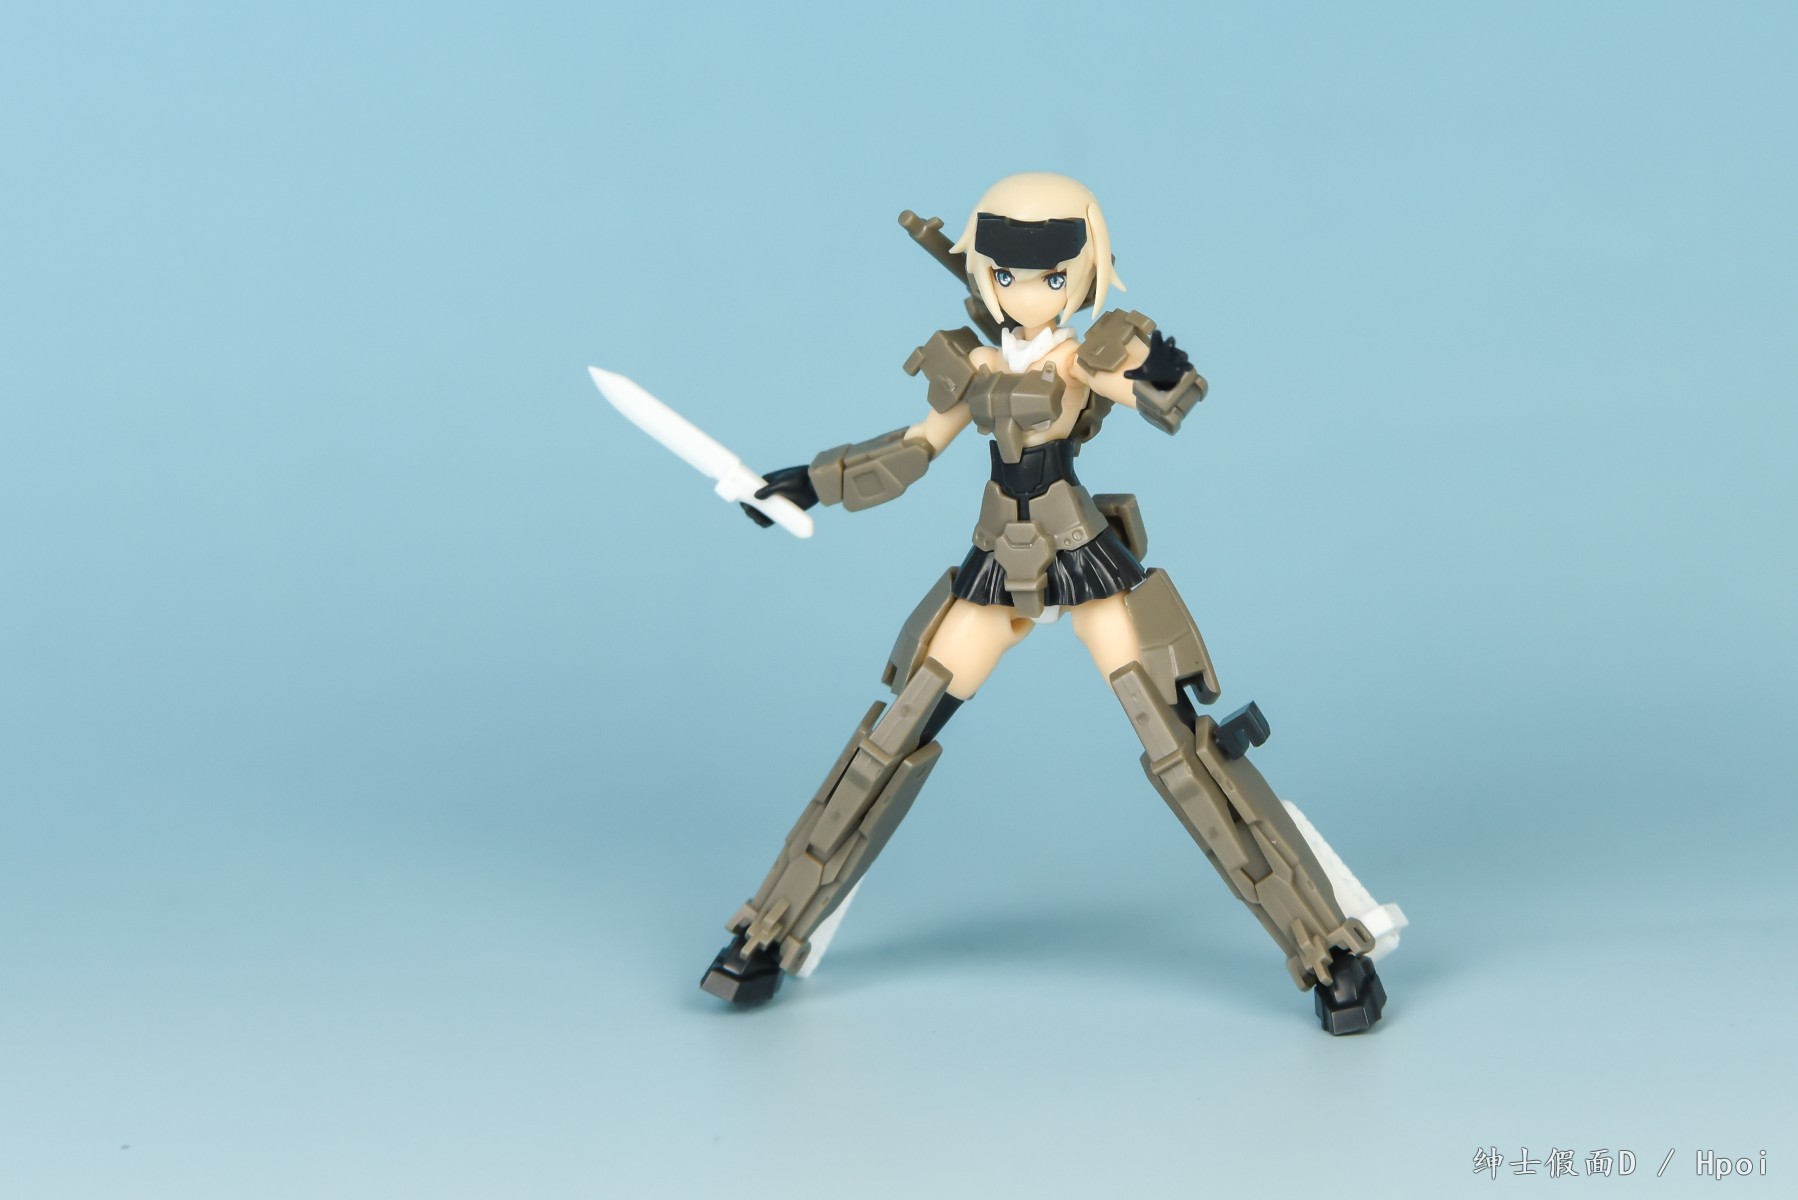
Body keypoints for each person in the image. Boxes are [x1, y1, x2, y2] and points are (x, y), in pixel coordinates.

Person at [704, 173, 1405, 1034]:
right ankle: (767, 930)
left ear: (1083, 274)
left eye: (1048, 276)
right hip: (996, 561)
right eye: (1004, 275)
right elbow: (910, 450)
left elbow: (1164, 397)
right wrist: (809, 483)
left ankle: (1328, 949)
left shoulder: (1082, 358)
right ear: (981, 274)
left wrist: (1160, 367)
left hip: (1081, 555)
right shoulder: (974, 366)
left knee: (1183, 749)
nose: (1025, 294)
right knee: (892, 735)